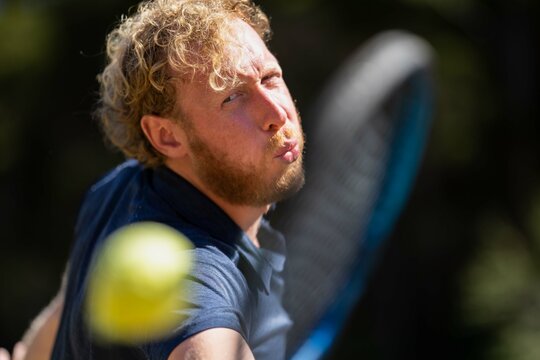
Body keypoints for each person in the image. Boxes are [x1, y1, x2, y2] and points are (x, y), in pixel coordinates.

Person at [0, 0, 305, 359]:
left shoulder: (118, 187)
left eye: (270, 78)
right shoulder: (196, 278)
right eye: (232, 97)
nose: (276, 114)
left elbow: (65, 310)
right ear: (167, 136)